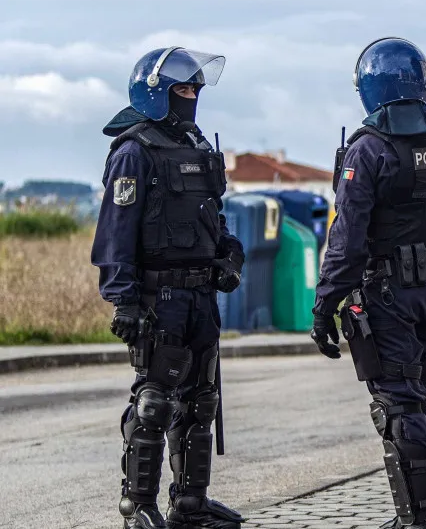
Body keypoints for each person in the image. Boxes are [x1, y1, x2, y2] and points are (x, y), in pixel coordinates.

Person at [311, 37, 426, 529]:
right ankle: (419, 513)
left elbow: (347, 240)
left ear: (370, 88)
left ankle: (419, 518)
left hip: (386, 296)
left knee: (398, 406)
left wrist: (324, 304)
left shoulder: (367, 150)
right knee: (416, 400)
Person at [92, 47, 246, 529]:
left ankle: (190, 506)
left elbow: (213, 221)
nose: (193, 95)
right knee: (154, 401)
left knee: (201, 403)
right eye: (183, 88)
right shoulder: (134, 151)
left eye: (197, 88)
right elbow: (116, 233)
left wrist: (229, 255)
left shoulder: (197, 146)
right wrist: (123, 299)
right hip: (159, 299)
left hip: (201, 298)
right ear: (156, 93)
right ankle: (137, 507)